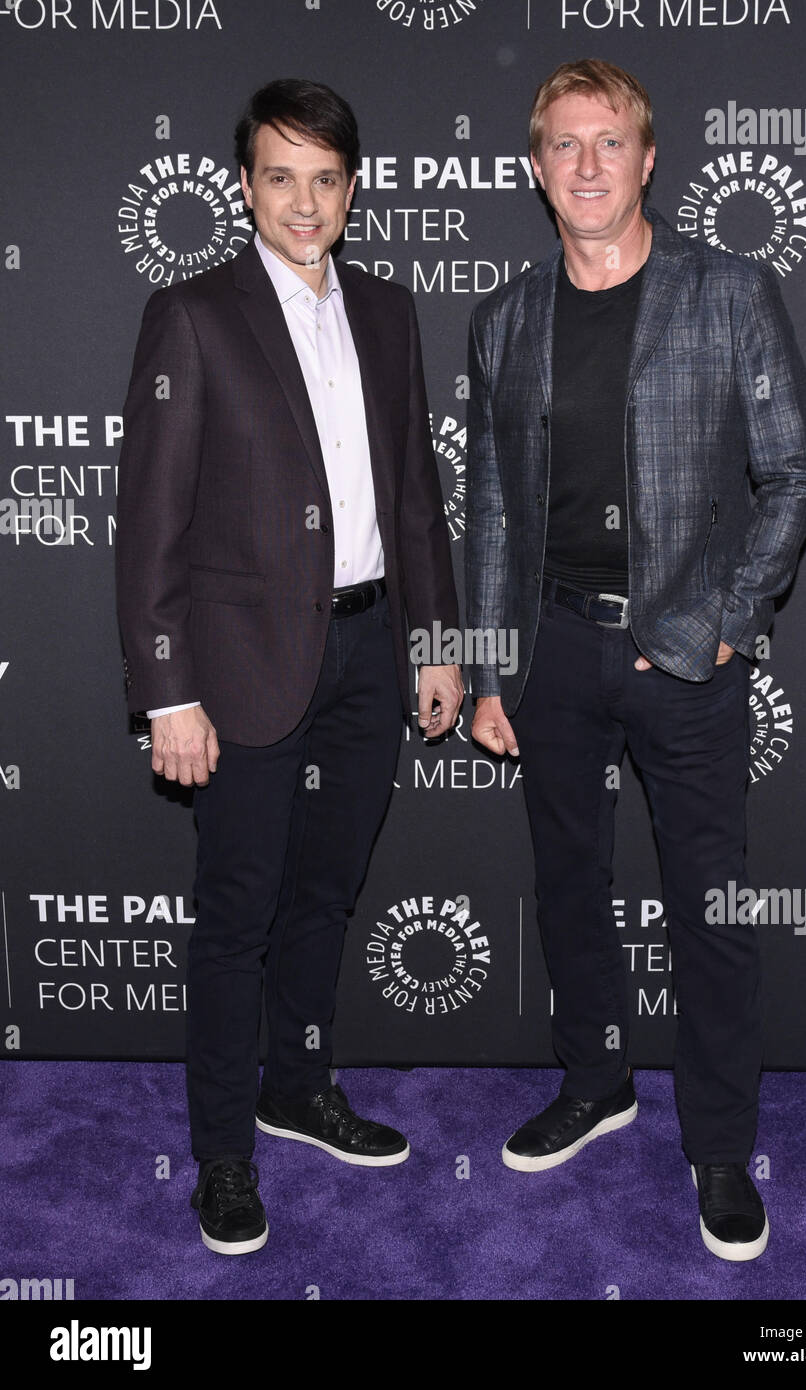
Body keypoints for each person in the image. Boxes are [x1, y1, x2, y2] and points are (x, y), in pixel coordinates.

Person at [465, 59, 806, 1262]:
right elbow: (495, 515)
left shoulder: (727, 292)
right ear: (533, 168)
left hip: (684, 651)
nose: (585, 166)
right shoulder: (505, 319)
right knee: (568, 886)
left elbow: (796, 474)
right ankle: (596, 1081)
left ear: (646, 157)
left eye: (606, 142)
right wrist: (484, 668)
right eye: (562, 145)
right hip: (553, 646)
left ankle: (717, 1144)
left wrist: (726, 617)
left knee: (710, 911)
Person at [116, 78, 463, 1255]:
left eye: (325, 179)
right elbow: (149, 522)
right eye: (280, 176)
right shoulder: (194, 315)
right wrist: (168, 688)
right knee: (235, 920)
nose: (303, 201)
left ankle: (298, 1087)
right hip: (244, 664)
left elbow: (418, 495)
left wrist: (439, 642)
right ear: (246, 184)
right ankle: (222, 1153)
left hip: (370, 650)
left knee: (327, 894)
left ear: (352, 191)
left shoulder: (389, 309)